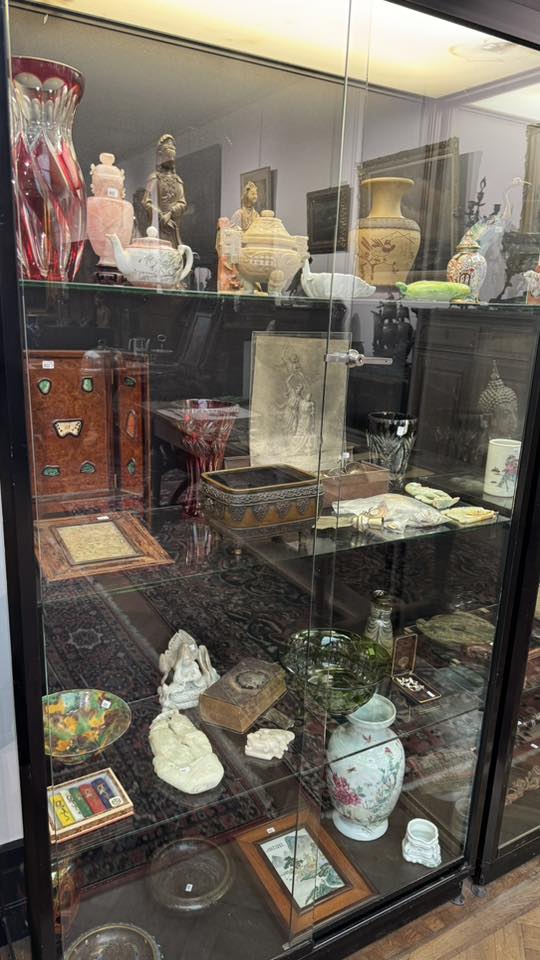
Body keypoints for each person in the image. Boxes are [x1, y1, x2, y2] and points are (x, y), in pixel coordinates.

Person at [143, 134, 187, 248]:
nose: (171, 160)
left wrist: (170, 213)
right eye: (168, 156)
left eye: (173, 157)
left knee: (175, 250)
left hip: (173, 224)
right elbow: (146, 201)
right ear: (160, 156)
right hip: (158, 225)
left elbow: (182, 202)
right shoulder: (154, 177)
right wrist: (160, 216)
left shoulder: (177, 180)